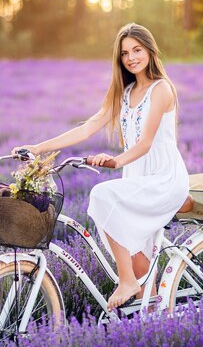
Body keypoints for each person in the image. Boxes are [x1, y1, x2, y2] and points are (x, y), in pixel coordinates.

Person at [12, 23, 189, 311]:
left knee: (102, 196)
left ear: (150, 51)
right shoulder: (125, 92)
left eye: (137, 50)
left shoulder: (162, 89)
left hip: (163, 178)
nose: (131, 58)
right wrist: (38, 148)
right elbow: (88, 127)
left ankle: (126, 281)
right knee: (137, 254)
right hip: (136, 177)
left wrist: (115, 161)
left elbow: (145, 143)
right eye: (125, 53)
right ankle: (157, 318)